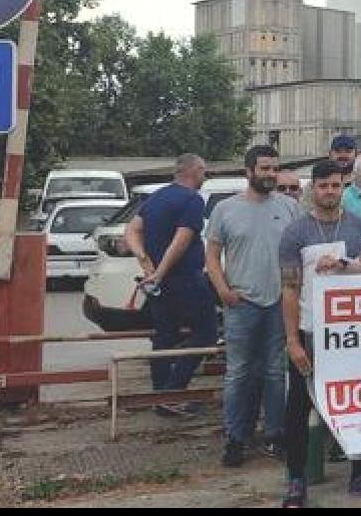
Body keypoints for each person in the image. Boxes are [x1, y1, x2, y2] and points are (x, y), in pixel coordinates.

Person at [278, 161, 361, 507]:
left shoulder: (360, 226)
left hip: (352, 334)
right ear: (313, 189)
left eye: (335, 186)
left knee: (357, 404)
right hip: (310, 330)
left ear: (343, 188)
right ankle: (296, 480)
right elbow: (289, 289)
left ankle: (360, 473)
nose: (329, 192)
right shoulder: (295, 232)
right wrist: (293, 340)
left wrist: (345, 266)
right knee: (298, 407)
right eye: (323, 186)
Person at [205, 145, 302, 467]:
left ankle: (275, 435)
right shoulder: (225, 210)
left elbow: (302, 252)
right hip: (242, 304)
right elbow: (212, 255)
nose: (271, 174)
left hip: (280, 304)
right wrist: (223, 290)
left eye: (275, 168)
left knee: (276, 373)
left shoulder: (290, 208)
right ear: (249, 171)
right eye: (264, 169)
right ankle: (235, 438)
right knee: (239, 374)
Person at [124, 153, 217, 417]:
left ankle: (161, 396)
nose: (204, 177)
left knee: (164, 337)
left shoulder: (156, 197)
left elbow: (130, 231)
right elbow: (182, 239)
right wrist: (161, 271)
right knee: (207, 334)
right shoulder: (192, 200)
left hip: (158, 285)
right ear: (195, 171)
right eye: (203, 172)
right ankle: (174, 391)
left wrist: (144, 261)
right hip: (185, 278)